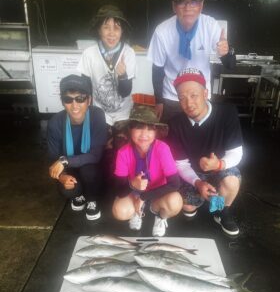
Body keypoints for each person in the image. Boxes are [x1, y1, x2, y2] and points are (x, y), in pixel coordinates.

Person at [167, 68, 243, 236]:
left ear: (206, 92)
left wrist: (219, 164)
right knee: (187, 207)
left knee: (231, 181)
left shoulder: (227, 112)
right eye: (182, 98)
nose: (189, 104)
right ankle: (206, 197)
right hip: (194, 174)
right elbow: (180, 163)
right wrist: (198, 183)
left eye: (194, 95)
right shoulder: (175, 123)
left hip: (220, 170)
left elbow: (236, 152)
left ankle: (219, 211)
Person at [147, 0, 235, 122]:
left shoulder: (210, 25)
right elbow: (157, 69)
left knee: (201, 141)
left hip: (200, 97)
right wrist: (159, 101)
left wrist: (227, 52)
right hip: (172, 98)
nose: (188, 7)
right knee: (172, 141)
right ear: (174, 6)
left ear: (201, 6)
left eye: (193, 2)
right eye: (182, 1)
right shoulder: (162, 31)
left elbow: (230, 65)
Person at [112, 105, 183, 237]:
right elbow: (118, 189)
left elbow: (175, 184)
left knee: (175, 202)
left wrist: (144, 197)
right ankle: (136, 211)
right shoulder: (123, 152)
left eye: (150, 128)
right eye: (138, 127)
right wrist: (132, 185)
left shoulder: (162, 148)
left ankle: (160, 216)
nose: (144, 134)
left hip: (158, 194)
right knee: (119, 211)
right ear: (129, 129)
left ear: (156, 132)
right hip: (134, 194)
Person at [48, 74, 108, 221]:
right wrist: (62, 177)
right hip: (70, 168)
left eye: (80, 99)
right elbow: (52, 159)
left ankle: (92, 199)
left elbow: (95, 155)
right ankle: (79, 194)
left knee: (89, 171)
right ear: (62, 102)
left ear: (89, 100)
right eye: (68, 99)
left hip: (91, 166)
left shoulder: (97, 115)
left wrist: (64, 161)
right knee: (67, 191)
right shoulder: (55, 123)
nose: (74, 105)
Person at [77, 4, 136, 145]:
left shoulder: (128, 53)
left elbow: (125, 92)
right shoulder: (89, 54)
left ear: (122, 31)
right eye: (106, 27)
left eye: (116, 28)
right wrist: (85, 112)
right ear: (99, 30)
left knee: (122, 150)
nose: (111, 33)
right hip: (99, 114)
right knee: (100, 149)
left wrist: (122, 76)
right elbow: (84, 87)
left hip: (123, 114)